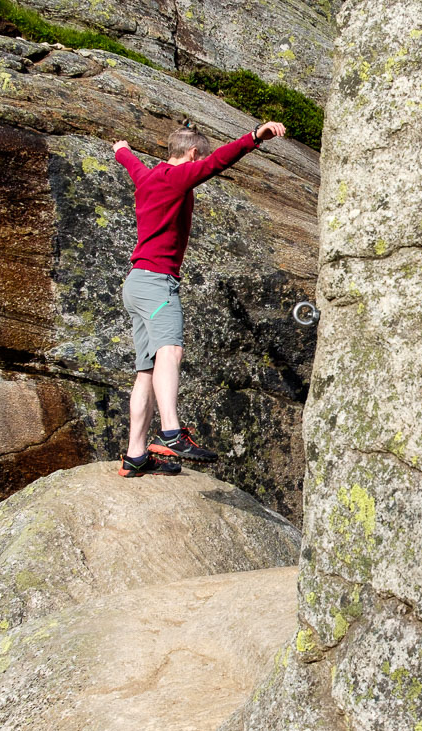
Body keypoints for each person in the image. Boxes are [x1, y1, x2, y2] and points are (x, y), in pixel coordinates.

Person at [112, 119, 286, 477]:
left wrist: (121, 149)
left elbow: (129, 160)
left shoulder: (147, 176)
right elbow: (220, 160)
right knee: (171, 351)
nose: (200, 165)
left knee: (146, 372)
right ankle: (172, 432)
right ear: (192, 154)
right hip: (158, 283)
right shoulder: (179, 178)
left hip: (136, 284)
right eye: (198, 159)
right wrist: (255, 137)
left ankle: (135, 455)